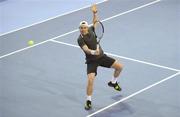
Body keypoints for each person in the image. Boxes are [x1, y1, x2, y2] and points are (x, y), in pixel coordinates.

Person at [77, 4, 123, 110]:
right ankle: (88, 101)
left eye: (84, 27)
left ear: (87, 28)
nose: (83, 29)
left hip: (102, 57)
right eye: (81, 28)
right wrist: (94, 52)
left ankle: (113, 82)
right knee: (90, 80)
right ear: (79, 29)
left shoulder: (92, 29)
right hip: (91, 61)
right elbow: (86, 50)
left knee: (120, 67)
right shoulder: (80, 39)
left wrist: (94, 13)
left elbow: (95, 21)